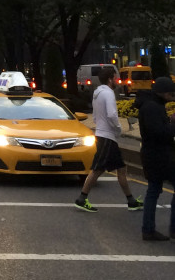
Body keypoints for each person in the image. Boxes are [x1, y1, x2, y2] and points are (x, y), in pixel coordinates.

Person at [75, 66, 143, 212]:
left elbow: (94, 116)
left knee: (121, 168)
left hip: (102, 134)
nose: (117, 80)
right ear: (109, 79)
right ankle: (82, 198)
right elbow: (112, 115)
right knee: (97, 169)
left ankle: (130, 200)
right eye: (115, 77)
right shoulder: (109, 94)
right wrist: (118, 128)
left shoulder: (97, 94)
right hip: (107, 137)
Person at [137, 76, 175, 242]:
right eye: (170, 92)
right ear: (162, 92)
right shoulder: (153, 108)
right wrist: (173, 124)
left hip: (155, 155)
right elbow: (160, 133)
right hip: (158, 157)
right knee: (153, 192)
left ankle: (150, 229)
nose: (172, 95)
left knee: (153, 191)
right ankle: (152, 229)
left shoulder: (152, 105)